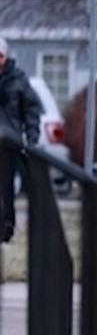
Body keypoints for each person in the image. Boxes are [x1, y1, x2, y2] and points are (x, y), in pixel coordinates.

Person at [0, 37, 42, 243]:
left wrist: (32, 137)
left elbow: (32, 109)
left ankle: (6, 225)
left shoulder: (18, 79)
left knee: (6, 186)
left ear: (5, 57)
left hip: (9, 142)